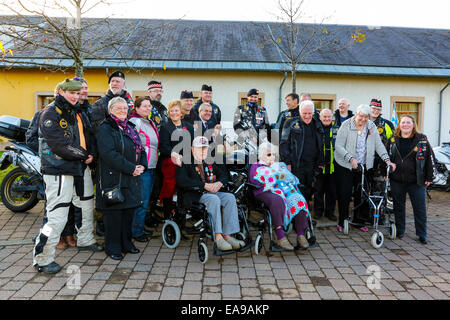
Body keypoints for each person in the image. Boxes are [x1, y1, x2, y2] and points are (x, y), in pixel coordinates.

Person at [33, 79, 103, 274]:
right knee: (57, 215)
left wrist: (92, 156)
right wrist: (85, 155)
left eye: (77, 92)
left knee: (86, 204)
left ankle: (86, 240)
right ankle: (42, 258)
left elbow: (89, 137)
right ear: (61, 92)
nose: (75, 96)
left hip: (80, 168)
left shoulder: (77, 111)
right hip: (59, 170)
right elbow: (59, 145)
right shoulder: (50, 113)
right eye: (70, 93)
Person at [96, 97, 147, 260]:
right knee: (114, 215)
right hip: (114, 177)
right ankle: (113, 247)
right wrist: (131, 168)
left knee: (128, 212)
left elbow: (140, 148)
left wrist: (142, 165)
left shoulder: (130, 127)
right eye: (118, 108)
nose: (123, 111)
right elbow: (109, 154)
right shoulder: (105, 128)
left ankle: (126, 243)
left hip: (131, 177)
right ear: (111, 110)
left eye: (125, 108)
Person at [176, 136, 245, 251]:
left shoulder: (209, 161)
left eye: (205, 149)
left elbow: (223, 175)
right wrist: (204, 185)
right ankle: (218, 236)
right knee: (214, 200)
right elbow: (182, 181)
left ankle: (228, 235)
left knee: (230, 198)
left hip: (211, 192)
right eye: (199, 149)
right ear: (192, 149)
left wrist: (219, 183)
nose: (203, 151)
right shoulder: (185, 161)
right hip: (194, 195)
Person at [334, 104, 396, 233]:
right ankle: (343, 221)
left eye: (366, 117)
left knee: (361, 193)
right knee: (344, 194)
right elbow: (338, 146)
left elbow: (378, 145)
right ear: (356, 114)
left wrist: (387, 160)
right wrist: (350, 158)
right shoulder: (346, 125)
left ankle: (358, 221)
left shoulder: (371, 126)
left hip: (364, 165)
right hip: (345, 165)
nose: (363, 119)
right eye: (360, 116)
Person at [249, 142, 311, 251]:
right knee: (277, 200)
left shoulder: (279, 166)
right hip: (264, 191)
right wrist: (270, 178)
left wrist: (278, 176)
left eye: (273, 154)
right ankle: (280, 236)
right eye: (269, 154)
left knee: (298, 199)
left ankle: (301, 234)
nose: (272, 157)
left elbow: (288, 177)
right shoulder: (256, 166)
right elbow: (254, 181)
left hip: (283, 190)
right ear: (261, 155)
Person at [386, 115, 435, 244]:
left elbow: (429, 158)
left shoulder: (422, 139)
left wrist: (429, 177)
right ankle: (400, 230)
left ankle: (421, 233)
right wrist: (386, 172)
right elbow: (385, 158)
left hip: (417, 181)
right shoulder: (392, 139)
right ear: (399, 124)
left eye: (408, 122)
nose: (405, 125)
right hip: (397, 180)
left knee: (419, 208)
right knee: (398, 207)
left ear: (413, 125)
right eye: (403, 122)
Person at [279, 100, 324, 208]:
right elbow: (283, 144)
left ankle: (305, 215)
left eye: (310, 113)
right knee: (298, 191)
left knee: (309, 190)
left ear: (313, 113)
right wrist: (287, 162)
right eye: (304, 113)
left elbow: (321, 144)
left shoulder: (317, 124)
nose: (307, 116)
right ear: (300, 112)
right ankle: (298, 218)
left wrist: (321, 162)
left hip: (312, 165)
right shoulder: (290, 123)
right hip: (296, 164)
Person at [128, 97, 159, 242]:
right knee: (141, 200)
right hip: (143, 167)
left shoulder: (150, 121)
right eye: (144, 106)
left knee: (145, 200)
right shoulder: (136, 121)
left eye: (149, 106)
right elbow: (133, 143)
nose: (148, 108)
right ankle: (136, 232)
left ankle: (138, 226)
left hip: (152, 166)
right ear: (137, 108)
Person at [159, 99, 195, 218]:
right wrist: (174, 154)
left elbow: (192, 144)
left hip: (186, 162)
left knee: (184, 189)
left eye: (176, 110)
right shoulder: (165, 127)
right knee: (171, 188)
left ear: (181, 112)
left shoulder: (189, 127)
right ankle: (168, 216)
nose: (174, 113)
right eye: (171, 111)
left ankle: (182, 217)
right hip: (170, 163)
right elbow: (163, 147)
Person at [313, 108, 338, 221]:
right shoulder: (316, 129)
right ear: (320, 117)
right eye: (324, 117)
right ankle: (318, 211)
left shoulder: (337, 129)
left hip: (333, 166)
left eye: (329, 117)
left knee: (331, 191)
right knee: (318, 191)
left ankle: (330, 212)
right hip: (319, 165)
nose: (327, 119)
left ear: (332, 118)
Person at [369, 99, 396, 192]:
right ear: (369, 108)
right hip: (363, 161)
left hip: (380, 164)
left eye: (378, 109)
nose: (376, 111)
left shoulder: (387, 124)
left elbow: (393, 143)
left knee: (378, 190)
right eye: (374, 108)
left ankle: (379, 206)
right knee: (362, 189)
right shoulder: (362, 121)